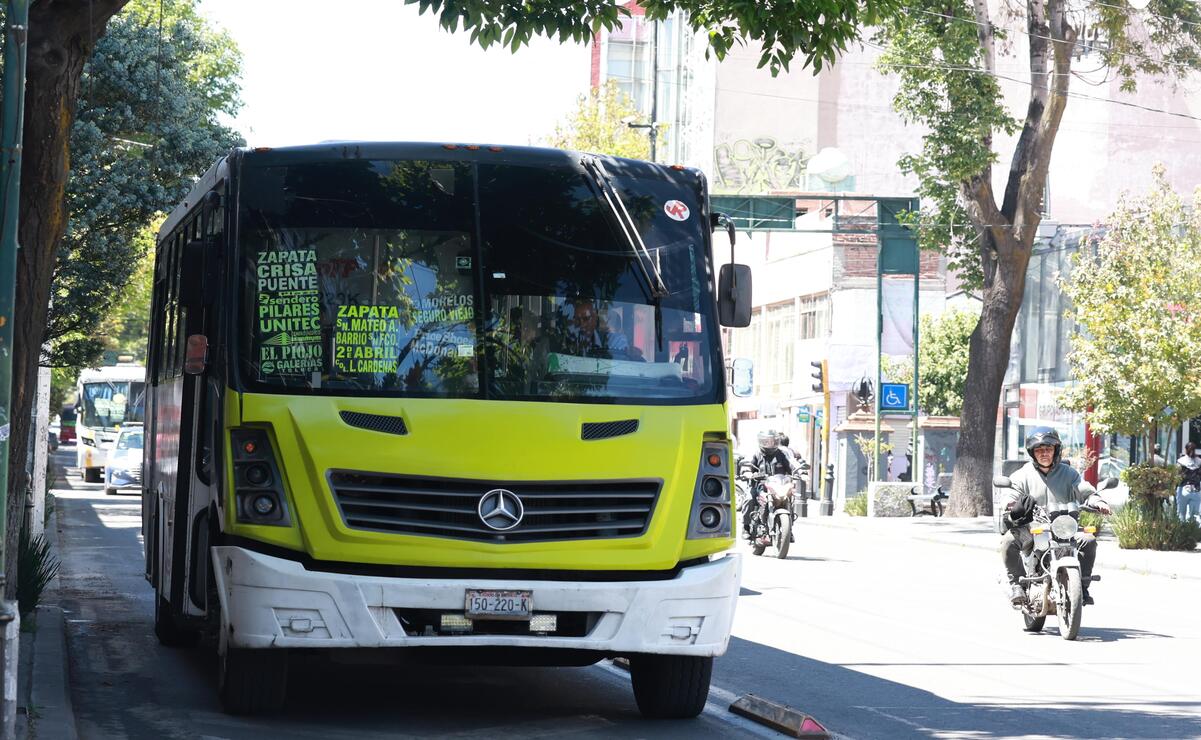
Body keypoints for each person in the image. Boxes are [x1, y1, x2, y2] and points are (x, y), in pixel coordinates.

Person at [1000, 427, 1112, 607]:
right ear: (1032, 453)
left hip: (1064, 527)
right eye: (1039, 450)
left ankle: (1082, 586)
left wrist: (1098, 501)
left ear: (1056, 450)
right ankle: (1017, 585)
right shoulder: (1022, 474)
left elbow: (1084, 489)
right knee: (1008, 541)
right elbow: (1010, 494)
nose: (1044, 453)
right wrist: (1011, 504)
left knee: (1088, 539)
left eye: (1048, 449)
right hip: (1033, 528)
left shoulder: (1069, 473)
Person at [745, 430, 793, 537]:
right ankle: (746, 527)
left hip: (778, 485)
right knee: (749, 499)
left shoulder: (781, 454)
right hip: (759, 486)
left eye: (773, 441)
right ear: (762, 442)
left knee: (790, 498)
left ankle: (789, 528)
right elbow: (748, 465)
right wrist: (747, 472)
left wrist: (800, 472)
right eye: (767, 441)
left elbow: (791, 465)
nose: (770, 444)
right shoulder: (756, 454)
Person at [561, 297, 628, 357]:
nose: (582, 325)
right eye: (577, 320)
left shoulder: (615, 340)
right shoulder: (570, 339)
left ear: (595, 318)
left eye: (586, 319)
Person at [1177, 442, 1201, 523]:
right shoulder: (1199, 461)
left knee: (1181, 515)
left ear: (1185, 450)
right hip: (1196, 490)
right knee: (1194, 516)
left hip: (1183, 489)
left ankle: (1182, 533)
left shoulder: (1181, 461)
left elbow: (1177, 476)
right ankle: (1194, 533)